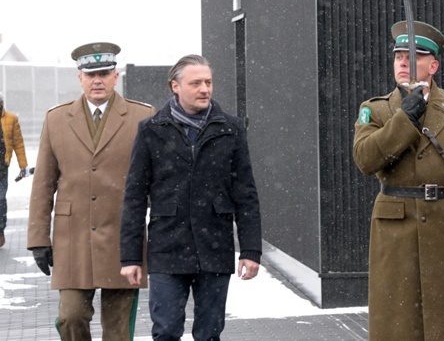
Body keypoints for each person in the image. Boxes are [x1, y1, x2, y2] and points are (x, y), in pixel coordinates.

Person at [353, 21, 444, 340]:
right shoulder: (376, 111)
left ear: (433, 65)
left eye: (414, 56)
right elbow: (366, 159)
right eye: (398, 56)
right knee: (397, 326)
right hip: (396, 236)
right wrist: (403, 120)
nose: (403, 62)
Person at [120, 54, 262, 341]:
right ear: (175, 86)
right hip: (167, 249)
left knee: (209, 334)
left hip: (214, 247)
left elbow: (246, 194)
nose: (204, 89)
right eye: (196, 83)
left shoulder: (230, 129)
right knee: (166, 331)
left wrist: (250, 250)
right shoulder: (151, 131)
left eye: (208, 82)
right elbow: (134, 197)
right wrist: (131, 256)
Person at [27, 42, 155, 341]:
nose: (97, 80)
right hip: (73, 239)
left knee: (118, 329)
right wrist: (37, 239)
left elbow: (158, 180)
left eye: (104, 73)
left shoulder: (142, 117)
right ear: (79, 78)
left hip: (124, 240)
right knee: (70, 317)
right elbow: (43, 183)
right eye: (90, 74)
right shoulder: (56, 119)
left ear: (116, 76)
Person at [0, 92, 29, 247]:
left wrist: (23, 165)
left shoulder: (11, 119)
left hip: (2, 167)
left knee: (0, 200)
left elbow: (18, 143)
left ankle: (0, 229)